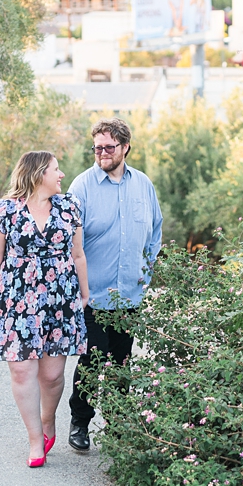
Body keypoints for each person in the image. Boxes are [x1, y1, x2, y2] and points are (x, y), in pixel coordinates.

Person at [0, 150, 88, 468]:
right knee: (21, 369)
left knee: (53, 375)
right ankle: (34, 441)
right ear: (39, 173)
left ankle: (47, 420)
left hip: (60, 300)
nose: (61, 174)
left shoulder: (69, 208)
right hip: (15, 300)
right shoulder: (4, 212)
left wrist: (84, 295)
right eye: (56, 169)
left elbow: (78, 255)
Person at [65, 117, 163, 453]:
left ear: (125, 148)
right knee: (93, 359)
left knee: (122, 362)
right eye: (97, 148)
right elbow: (67, 240)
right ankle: (80, 422)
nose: (103, 153)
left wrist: (145, 275)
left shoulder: (143, 185)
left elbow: (155, 232)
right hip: (92, 295)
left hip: (130, 295)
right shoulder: (81, 186)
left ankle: (120, 424)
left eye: (109, 147)